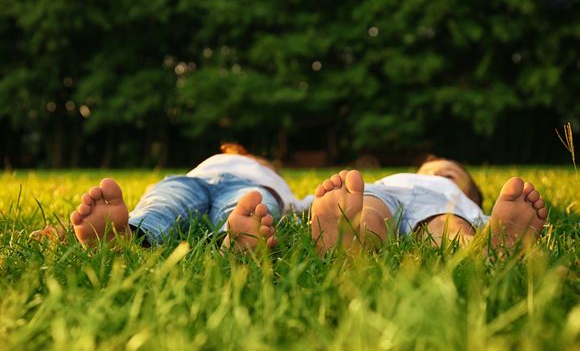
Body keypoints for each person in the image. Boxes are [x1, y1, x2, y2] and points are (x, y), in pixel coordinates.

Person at [65, 144, 313, 251]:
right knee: (166, 201)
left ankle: (235, 238)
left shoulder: (273, 178)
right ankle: (128, 232)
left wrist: (326, 201)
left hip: (252, 188)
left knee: (254, 207)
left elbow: (303, 206)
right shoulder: (218, 160)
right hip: (193, 181)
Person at [310, 156, 549, 253]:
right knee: (369, 211)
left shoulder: (463, 202)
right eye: (430, 171)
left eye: (449, 173)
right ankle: (350, 238)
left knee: (446, 224)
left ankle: (484, 249)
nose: (437, 173)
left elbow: (485, 221)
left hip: (444, 204)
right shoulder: (401, 178)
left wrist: (500, 227)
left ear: (472, 197)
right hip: (386, 191)